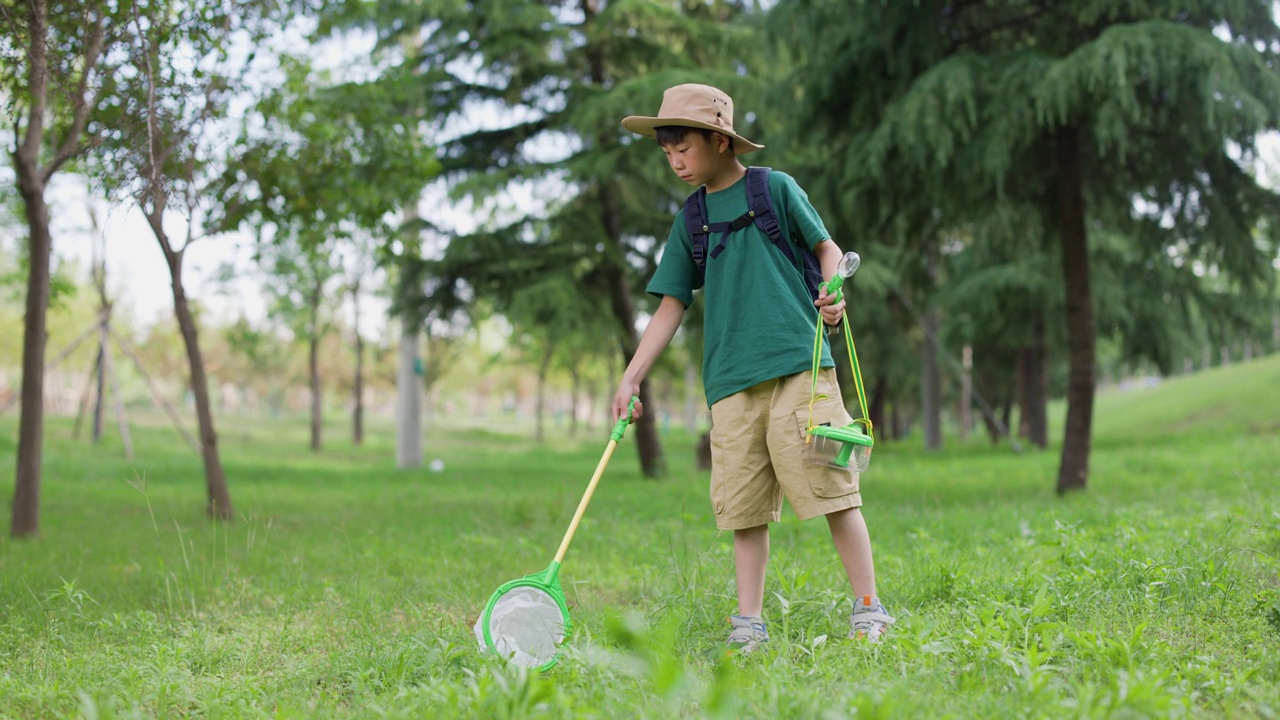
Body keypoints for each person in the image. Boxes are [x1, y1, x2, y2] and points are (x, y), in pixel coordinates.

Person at [611, 83, 893, 652]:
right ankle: (749, 625)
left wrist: (835, 288)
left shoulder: (775, 190)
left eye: (683, 149)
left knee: (834, 491)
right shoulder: (689, 220)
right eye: (667, 154)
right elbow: (671, 305)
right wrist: (632, 374)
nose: (675, 162)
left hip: (799, 364)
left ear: (719, 141)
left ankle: (869, 607)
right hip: (730, 384)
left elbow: (826, 250)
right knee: (743, 509)